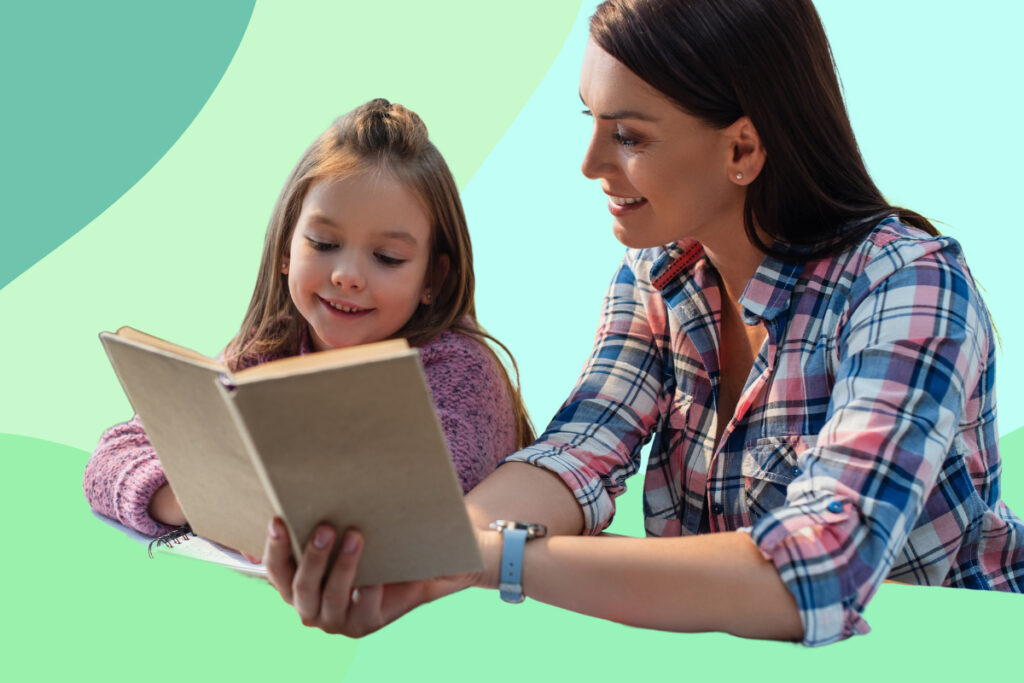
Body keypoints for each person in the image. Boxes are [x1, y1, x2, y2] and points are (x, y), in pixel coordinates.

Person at [263, 0, 1023, 646]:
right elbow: (576, 452)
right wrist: (425, 555)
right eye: (591, 121)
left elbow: (818, 570)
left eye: (628, 135)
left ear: (743, 147)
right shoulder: (658, 277)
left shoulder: (909, 286)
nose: (590, 161)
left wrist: (494, 560)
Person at [84, 98, 533, 538]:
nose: (347, 276)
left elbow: (419, 510)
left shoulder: (461, 373)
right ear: (286, 250)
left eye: (387, 257)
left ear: (432, 276)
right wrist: (189, 499)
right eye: (322, 243)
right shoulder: (266, 350)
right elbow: (109, 460)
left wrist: (236, 487)